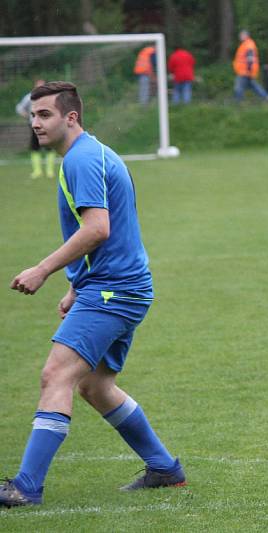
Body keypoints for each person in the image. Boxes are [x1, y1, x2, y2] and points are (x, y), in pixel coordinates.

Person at [0, 81, 185, 508]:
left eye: (44, 115)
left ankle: (26, 487)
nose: (36, 123)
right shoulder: (88, 154)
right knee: (97, 387)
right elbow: (110, 232)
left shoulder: (81, 160)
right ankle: (163, 467)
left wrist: (43, 270)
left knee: (56, 376)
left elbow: (97, 228)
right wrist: (74, 285)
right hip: (116, 287)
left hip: (114, 291)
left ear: (71, 117)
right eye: (32, 115)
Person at [16, 79, 56, 179]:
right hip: (34, 125)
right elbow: (20, 108)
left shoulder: (49, 98)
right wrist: (27, 116)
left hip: (47, 125)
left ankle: (50, 171)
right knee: (35, 147)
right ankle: (37, 171)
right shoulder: (30, 97)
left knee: (50, 147)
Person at [232, 29, 268, 102]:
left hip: (245, 71)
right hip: (245, 71)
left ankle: (237, 102)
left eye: (241, 35)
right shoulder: (246, 44)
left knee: (238, 87)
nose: (240, 36)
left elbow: (250, 58)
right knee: (254, 86)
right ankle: (267, 97)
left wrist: (249, 69)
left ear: (246, 35)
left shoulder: (248, 44)